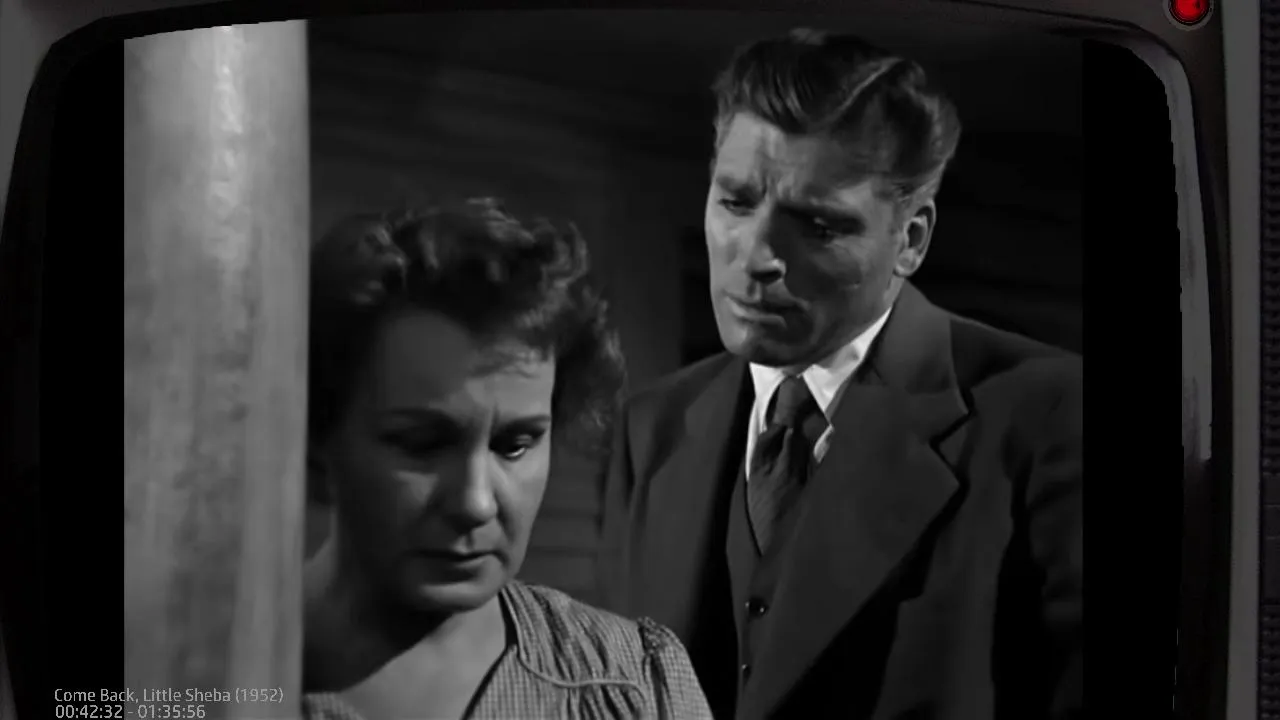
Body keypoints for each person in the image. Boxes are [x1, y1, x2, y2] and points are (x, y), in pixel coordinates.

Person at [596, 29, 1082, 720]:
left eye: (818, 227)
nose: (756, 256)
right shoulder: (652, 427)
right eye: (736, 202)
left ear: (910, 239)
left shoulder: (1048, 415)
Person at [300, 199, 713, 720]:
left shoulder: (634, 684)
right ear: (319, 444)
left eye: (514, 445)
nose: (475, 503)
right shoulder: (217, 676)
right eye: (422, 444)